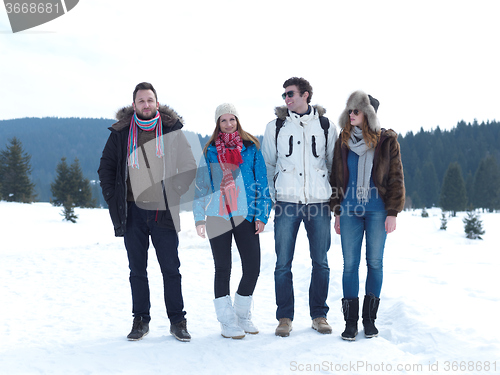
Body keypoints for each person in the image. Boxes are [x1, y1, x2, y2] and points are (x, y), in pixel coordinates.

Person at [98, 82, 196, 342]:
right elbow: (106, 168)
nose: (146, 105)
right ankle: (141, 320)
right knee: (137, 270)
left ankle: (178, 321)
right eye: (141, 101)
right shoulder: (120, 133)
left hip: (162, 212)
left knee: (171, 269)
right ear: (134, 105)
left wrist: (173, 191)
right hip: (132, 212)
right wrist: (113, 198)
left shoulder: (171, 131)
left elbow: (188, 165)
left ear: (157, 102)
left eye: (150, 100)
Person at [262, 77, 338, 337]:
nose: (286, 98)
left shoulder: (326, 126)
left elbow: (332, 164)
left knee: (321, 263)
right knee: (283, 263)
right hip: (287, 204)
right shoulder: (276, 127)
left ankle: (319, 315)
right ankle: (284, 317)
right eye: (284, 95)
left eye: (291, 93)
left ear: (306, 95)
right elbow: (268, 165)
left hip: (318, 203)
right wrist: (273, 198)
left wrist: (332, 200)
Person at [330, 90, 405, 341]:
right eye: (349, 110)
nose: (351, 115)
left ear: (368, 114)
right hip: (349, 209)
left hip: (377, 210)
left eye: (356, 111)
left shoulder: (386, 142)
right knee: (350, 265)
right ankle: (350, 322)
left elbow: (395, 177)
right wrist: (337, 210)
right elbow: (336, 177)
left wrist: (392, 211)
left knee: (375, 263)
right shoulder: (343, 140)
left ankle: (369, 320)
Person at [193, 103, 271, 339]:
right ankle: (227, 321)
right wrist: (199, 218)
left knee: (253, 267)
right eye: (223, 120)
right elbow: (201, 186)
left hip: (246, 215)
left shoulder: (251, 148)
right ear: (217, 124)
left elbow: (262, 184)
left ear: (238, 121)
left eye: (232, 120)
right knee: (223, 268)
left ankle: (241, 313)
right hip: (218, 216)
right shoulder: (210, 152)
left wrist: (262, 215)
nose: (228, 124)